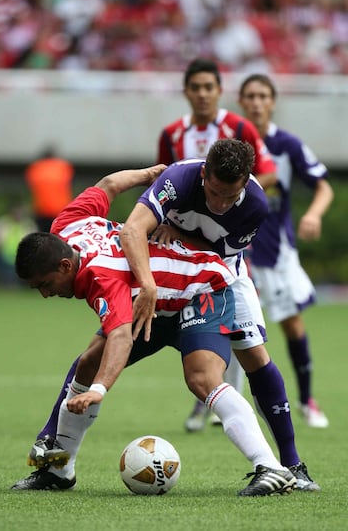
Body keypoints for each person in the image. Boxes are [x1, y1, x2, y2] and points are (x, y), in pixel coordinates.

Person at [11, 158, 297, 496]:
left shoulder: (102, 279)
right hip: (154, 304)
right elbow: (107, 186)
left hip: (201, 290)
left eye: (45, 284)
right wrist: (146, 175)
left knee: (201, 379)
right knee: (87, 364)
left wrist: (98, 391)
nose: (46, 294)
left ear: (63, 264)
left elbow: (120, 336)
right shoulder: (67, 224)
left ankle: (271, 467)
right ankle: (59, 471)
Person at [119, 138, 319, 492]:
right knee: (103, 346)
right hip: (168, 273)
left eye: (229, 196)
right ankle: (54, 455)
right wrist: (148, 283)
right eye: (213, 192)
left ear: (244, 183)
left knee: (256, 357)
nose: (220, 203)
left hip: (223, 274)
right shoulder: (178, 178)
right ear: (203, 174)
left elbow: (217, 253)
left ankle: (292, 465)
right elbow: (134, 226)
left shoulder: (256, 202)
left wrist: (175, 231)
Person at [157, 57, 276, 431]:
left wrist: (230, 205)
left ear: (219, 91)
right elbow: (162, 179)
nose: (203, 94)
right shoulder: (173, 134)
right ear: (187, 92)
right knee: (185, 322)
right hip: (179, 244)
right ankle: (207, 397)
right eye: (196, 87)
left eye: (210, 87)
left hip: (226, 244)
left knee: (239, 326)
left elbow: (266, 174)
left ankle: (224, 396)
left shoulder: (238, 127)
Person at [238, 73, 334, 428]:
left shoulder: (288, 144)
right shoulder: (233, 144)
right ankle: (216, 406)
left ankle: (307, 399)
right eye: (250, 95)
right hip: (236, 250)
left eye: (263, 95)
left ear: (272, 101)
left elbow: (323, 187)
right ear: (241, 101)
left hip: (276, 251)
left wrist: (313, 213)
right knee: (231, 326)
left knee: (291, 324)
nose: (257, 101)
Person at [25, 145, 75, 232]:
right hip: (60, 210)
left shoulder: (34, 168)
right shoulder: (64, 167)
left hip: (41, 210)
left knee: (42, 238)